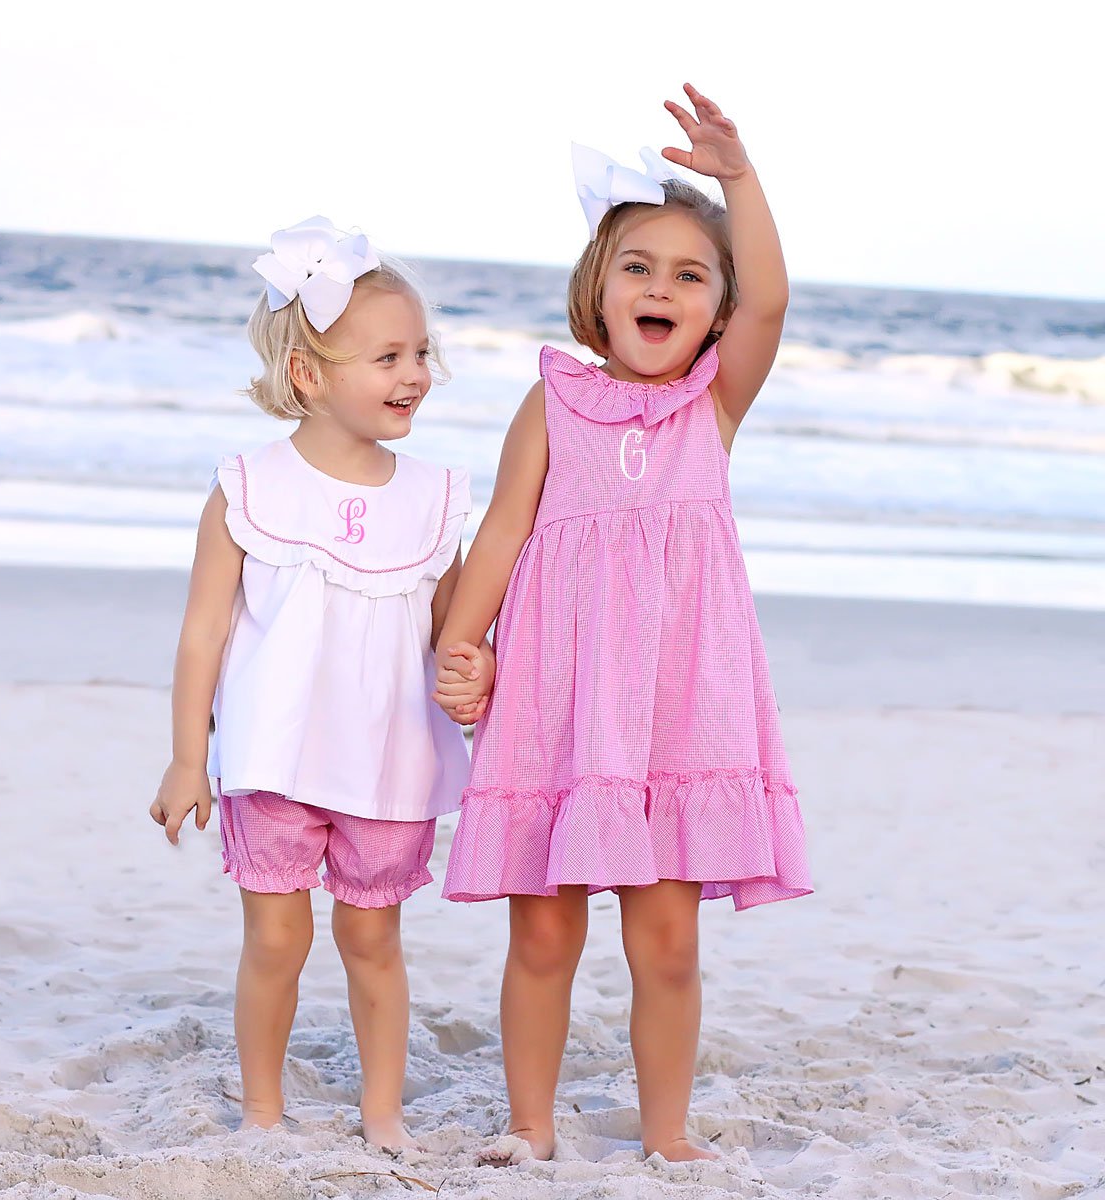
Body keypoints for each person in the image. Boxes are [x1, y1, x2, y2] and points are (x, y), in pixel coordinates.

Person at [432, 87, 812, 1164]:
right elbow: (502, 531)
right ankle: (531, 1127)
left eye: (692, 275)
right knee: (543, 929)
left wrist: (739, 178)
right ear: (596, 290)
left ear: (718, 312)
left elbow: (776, 303)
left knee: (669, 937)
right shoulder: (552, 401)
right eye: (639, 267)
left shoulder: (713, 404)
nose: (662, 287)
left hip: (678, 702)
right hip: (560, 694)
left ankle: (667, 1133)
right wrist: (464, 649)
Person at [150, 217, 483, 1147]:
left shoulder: (431, 498)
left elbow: (451, 629)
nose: (414, 373)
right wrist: (188, 760)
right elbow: (203, 634)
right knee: (277, 939)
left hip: (385, 764)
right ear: (307, 374)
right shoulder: (249, 489)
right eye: (386, 356)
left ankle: (382, 1111)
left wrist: (475, 672)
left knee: (373, 941)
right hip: (274, 756)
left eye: (421, 352)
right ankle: (263, 1107)